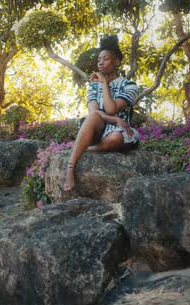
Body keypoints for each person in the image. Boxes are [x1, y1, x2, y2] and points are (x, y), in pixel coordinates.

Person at [64, 36, 140, 192]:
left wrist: (105, 83)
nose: (100, 63)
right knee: (93, 116)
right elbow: (94, 113)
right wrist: (114, 119)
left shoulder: (130, 86)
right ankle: (70, 167)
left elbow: (111, 108)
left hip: (120, 131)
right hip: (97, 127)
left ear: (117, 61)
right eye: (99, 60)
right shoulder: (92, 85)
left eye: (105, 59)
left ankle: (85, 148)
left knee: (116, 138)